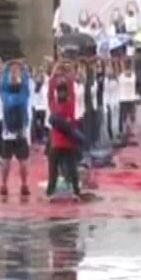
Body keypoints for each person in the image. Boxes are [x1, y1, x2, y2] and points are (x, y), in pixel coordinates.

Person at [47, 65, 85, 199]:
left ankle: (55, 192)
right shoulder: (65, 105)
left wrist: (58, 69)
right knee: (61, 170)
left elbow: (53, 90)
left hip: (61, 144)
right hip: (62, 144)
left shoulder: (61, 106)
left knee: (59, 170)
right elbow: (53, 88)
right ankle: (72, 191)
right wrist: (61, 69)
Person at [0, 63, 32, 200]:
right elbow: (26, 82)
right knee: (16, 161)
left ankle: (8, 185)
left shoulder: (5, 95)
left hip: (12, 132)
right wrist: (20, 68)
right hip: (16, 131)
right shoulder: (23, 94)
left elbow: (4, 82)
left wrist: (9, 68)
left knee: (11, 161)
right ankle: (17, 184)